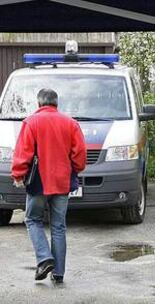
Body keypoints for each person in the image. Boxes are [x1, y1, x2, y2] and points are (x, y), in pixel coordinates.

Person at [12, 88, 86, 284]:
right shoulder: (71, 123)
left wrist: (18, 174)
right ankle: (59, 273)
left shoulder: (31, 122)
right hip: (62, 183)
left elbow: (23, 152)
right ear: (56, 104)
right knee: (59, 227)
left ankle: (44, 259)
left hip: (38, 184)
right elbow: (79, 156)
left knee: (32, 219)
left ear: (39, 104)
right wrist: (75, 170)